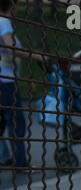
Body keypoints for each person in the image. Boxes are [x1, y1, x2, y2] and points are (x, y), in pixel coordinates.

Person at [0, 0, 47, 167]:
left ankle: (3, 157)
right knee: (16, 122)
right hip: (6, 81)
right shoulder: (4, 22)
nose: (18, 8)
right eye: (17, 4)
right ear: (11, 5)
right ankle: (20, 163)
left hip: (5, 79)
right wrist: (37, 56)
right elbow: (12, 48)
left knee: (3, 121)